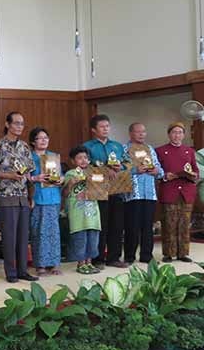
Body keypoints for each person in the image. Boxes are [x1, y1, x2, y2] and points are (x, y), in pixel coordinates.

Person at [0, 112, 39, 283]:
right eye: (16, 123)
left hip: (23, 196)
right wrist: (9, 175)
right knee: (9, 237)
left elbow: (29, 172)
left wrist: (31, 195)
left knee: (22, 236)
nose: (20, 126)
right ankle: (11, 272)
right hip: (6, 196)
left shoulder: (24, 147)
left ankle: (23, 271)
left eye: (22, 124)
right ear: (7, 124)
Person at [83, 114, 128, 268]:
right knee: (100, 226)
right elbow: (84, 167)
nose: (105, 129)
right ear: (93, 130)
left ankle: (114, 258)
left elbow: (128, 163)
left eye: (107, 126)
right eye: (102, 127)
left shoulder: (117, 146)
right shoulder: (87, 147)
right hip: (97, 191)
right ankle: (98, 259)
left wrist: (119, 167)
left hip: (117, 189)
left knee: (117, 225)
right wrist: (103, 170)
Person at [156, 122, 199, 263]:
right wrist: (165, 176)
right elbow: (157, 171)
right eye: (174, 132)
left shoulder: (189, 151)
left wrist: (192, 174)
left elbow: (196, 171)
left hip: (186, 192)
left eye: (180, 132)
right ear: (169, 134)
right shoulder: (161, 150)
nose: (177, 135)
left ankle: (183, 253)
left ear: (184, 135)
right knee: (169, 223)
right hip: (169, 191)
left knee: (184, 223)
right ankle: (168, 253)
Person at [121, 123, 164, 264]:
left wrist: (157, 171)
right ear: (130, 133)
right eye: (138, 132)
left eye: (143, 132)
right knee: (132, 226)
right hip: (132, 194)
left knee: (148, 226)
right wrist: (134, 170)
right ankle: (129, 256)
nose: (141, 134)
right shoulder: (124, 149)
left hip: (150, 193)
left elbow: (159, 168)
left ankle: (147, 256)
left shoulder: (150, 149)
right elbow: (119, 171)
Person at [28, 127, 63, 276]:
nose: (43, 140)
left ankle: (54, 264)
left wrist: (60, 180)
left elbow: (61, 175)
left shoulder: (54, 156)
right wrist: (35, 178)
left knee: (53, 232)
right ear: (32, 141)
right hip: (37, 197)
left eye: (46, 138)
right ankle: (40, 264)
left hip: (53, 196)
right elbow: (24, 177)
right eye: (40, 138)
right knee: (39, 232)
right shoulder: (29, 158)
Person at [63, 146, 101, 275]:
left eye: (85, 157)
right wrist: (71, 183)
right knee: (80, 238)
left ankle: (89, 263)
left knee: (92, 238)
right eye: (79, 158)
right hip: (78, 213)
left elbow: (101, 190)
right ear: (73, 161)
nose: (83, 160)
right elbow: (65, 193)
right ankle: (81, 263)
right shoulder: (70, 174)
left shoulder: (94, 173)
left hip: (93, 212)